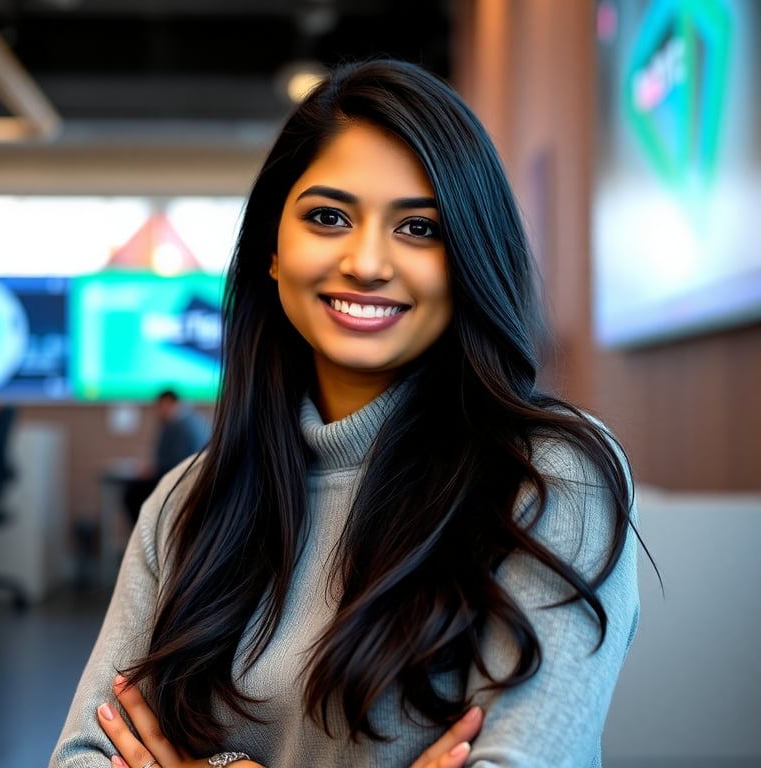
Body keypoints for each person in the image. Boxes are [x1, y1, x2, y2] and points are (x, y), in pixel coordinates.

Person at [51, 58, 643, 768]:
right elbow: (83, 756)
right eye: (328, 217)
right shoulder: (187, 503)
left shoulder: (547, 480)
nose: (366, 262)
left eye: (419, 228)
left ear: (470, 257)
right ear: (273, 250)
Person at [122, 389, 211, 526]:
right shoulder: (189, 420)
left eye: (159, 407)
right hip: (187, 481)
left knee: (132, 494)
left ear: (169, 403)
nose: (157, 412)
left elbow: (180, 463)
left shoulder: (182, 426)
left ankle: (147, 536)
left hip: (181, 483)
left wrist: (153, 469)